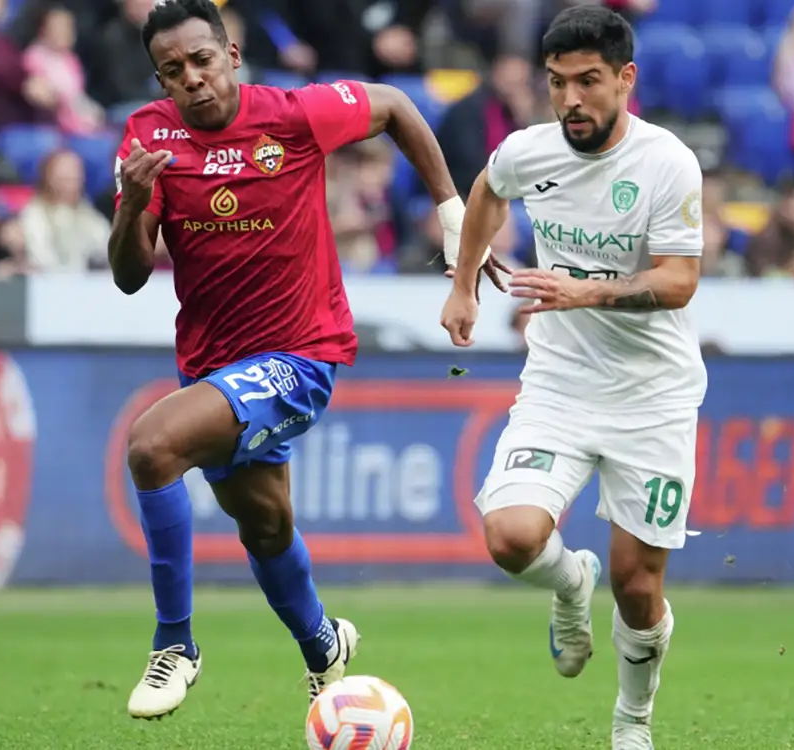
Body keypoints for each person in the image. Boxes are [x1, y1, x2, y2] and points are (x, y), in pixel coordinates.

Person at [107, 0, 507, 721]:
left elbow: (395, 106)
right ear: (160, 80)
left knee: (151, 445)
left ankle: (175, 646)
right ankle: (324, 643)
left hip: (300, 354)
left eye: (202, 59)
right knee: (264, 525)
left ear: (231, 55)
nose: (192, 77)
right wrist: (131, 207)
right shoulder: (147, 137)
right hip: (212, 365)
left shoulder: (292, 115)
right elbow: (130, 276)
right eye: (173, 70)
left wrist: (454, 218)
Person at [439, 7, 704, 750]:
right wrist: (463, 284)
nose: (571, 99)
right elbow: (487, 191)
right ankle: (569, 583)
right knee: (510, 536)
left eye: (588, 81)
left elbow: (680, 280)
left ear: (625, 79)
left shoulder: (667, 163)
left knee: (638, 586)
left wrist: (585, 290)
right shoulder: (530, 151)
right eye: (557, 83)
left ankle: (632, 721)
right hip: (561, 382)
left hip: (652, 395)